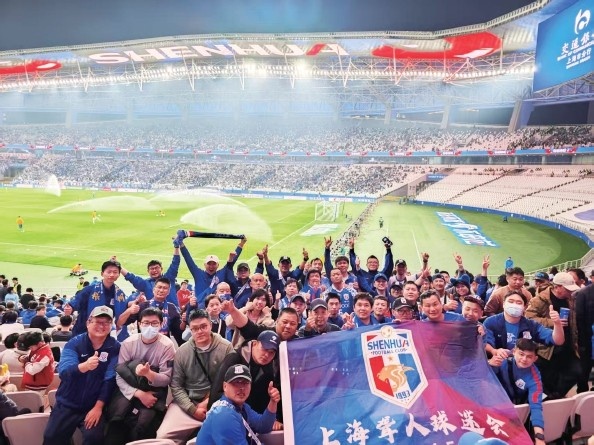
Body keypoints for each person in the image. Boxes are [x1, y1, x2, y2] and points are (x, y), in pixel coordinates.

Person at [43, 306, 121, 445]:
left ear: (111, 326)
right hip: (67, 404)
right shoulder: (74, 343)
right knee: (51, 438)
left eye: (107, 322)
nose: (102, 326)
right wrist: (85, 366)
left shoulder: (115, 347)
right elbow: (64, 372)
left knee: (94, 439)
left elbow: (109, 380)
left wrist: (98, 408)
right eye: (98, 322)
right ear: (88, 323)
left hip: (93, 405)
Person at [156, 309, 233, 444]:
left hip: (219, 401)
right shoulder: (182, 351)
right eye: (195, 329)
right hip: (188, 402)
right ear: (190, 330)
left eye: (203, 326)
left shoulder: (226, 347)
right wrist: (192, 409)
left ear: (210, 325)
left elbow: (230, 381)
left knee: (228, 435)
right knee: (163, 437)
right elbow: (176, 386)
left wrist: (208, 402)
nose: (200, 331)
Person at [105, 307, 176, 444]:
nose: (150, 327)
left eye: (154, 323)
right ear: (139, 324)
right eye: (146, 323)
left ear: (161, 324)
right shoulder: (128, 343)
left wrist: (148, 374)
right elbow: (119, 375)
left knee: (144, 426)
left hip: (153, 390)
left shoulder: (167, 345)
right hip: (129, 388)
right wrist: (138, 394)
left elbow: (167, 378)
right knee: (117, 421)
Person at [525, 272, 583, 398]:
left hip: (568, 344)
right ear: (557, 287)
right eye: (567, 289)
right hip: (548, 348)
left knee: (576, 371)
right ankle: (552, 399)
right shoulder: (539, 300)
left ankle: (557, 395)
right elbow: (528, 318)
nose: (570, 292)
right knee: (549, 379)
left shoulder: (570, 298)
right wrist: (553, 322)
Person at [197, 364, 279, 445]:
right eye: (236, 383)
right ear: (225, 386)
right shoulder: (224, 414)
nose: (241, 388)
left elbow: (263, 426)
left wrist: (273, 401)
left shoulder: (241, 407)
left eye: (245, 383)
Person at [489, 339, 545, 445]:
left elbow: (536, 406)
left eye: (529, 357)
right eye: (521, 354)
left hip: (512, 412)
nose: (524, 359)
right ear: (514, 351)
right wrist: (489, 363)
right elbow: (482, 377)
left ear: (535, 359)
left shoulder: (535, 378)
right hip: (491, 403)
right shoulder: (502, 359)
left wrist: (539, 438)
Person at [209, 330, 279, 414]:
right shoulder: (234, 359)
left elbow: (264, 401)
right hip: (226, 412)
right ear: (255, 344)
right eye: (264, 349)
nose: (266, 355)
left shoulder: (269, 369)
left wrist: (273, 403)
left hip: (251, 416)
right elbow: (216, 393)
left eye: (271, 352)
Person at [483, 290, 565, 360]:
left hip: (523, 365)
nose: (514, 305)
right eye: (511, 301)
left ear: (524, 307)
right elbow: (484, 342)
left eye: (519, 303)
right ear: (504, 304)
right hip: (497, 364)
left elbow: (558, 341)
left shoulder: (531, 325)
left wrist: (557, 323)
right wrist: (494, 351)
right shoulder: (491, 322)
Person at [67, 259, 128, 337]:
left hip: (104, 332)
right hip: (83, 330)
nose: (112, 275)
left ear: (119, 275)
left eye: (115, 272)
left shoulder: (120, 294)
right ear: (102, 273)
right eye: (109, 272)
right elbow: (77, 301)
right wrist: (71, 307)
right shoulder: (90, 289)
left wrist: (131, 303)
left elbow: (123, 309)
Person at [118, 277, 185, 346]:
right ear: (153, 290)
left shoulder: (171, 308)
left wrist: (184, 321)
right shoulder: (142, 306)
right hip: (144, 345)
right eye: (159, 287)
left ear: (168, 292)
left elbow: (178, 332)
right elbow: (120, 323)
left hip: (163, 346)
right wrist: (129, 310)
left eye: (165, 288)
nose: (161, 290)